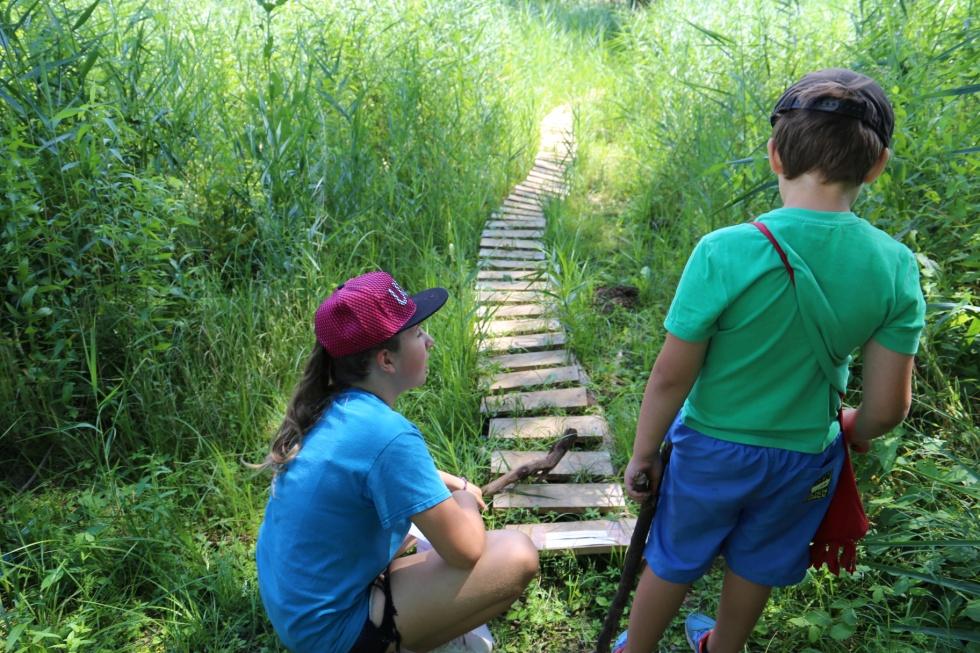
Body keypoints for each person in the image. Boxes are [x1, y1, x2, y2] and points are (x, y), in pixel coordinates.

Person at [614, 69, 925, 653]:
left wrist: (644, 452)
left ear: (775, 155)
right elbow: (888, 407)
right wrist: (855, 427)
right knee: (758, 561)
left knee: (676, 553)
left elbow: (671, 375)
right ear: (878, 165)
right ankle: (723, 647)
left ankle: (637, 648)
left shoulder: (725, 251)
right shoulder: (894, 265)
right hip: (805, 458)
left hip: (711, 449)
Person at [254, 271, 539, 653]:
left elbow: (363, 470)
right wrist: (466, 499)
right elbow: (468, 549)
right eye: (419, 334)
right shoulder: (388, 436)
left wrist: (448, 481)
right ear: (386, 359)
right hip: (330, 632)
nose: (430, 341)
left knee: (424, 529)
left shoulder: (333, 407)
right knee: (515, 554)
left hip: (296, 609)